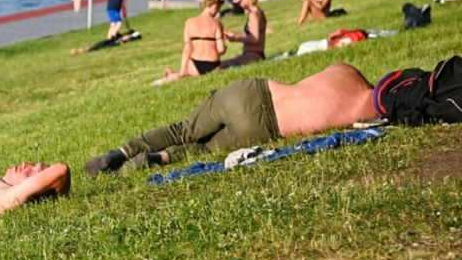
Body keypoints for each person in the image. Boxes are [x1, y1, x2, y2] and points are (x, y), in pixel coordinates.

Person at [85, 62, 380, 176]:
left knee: (183, 129)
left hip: (250, 92)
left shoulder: (346, 71)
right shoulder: (358, 107)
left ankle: (121, 152)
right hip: (266, 127)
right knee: (206, 150)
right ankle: (157, 158)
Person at [160, 0, 226, 82]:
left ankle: (175, 75)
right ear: (214, 6)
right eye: (218, 8)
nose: (217, 12)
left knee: (187, 74)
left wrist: (182, 71)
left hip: (195, 65)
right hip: (213, 65)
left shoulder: (189, 22)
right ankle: (176, 74)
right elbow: (221, 49)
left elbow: (187, 49)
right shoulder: (217, 24)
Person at [220, 0, 266, 68]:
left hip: (253, 55)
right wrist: (235, 34)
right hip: (254, 54)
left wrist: (236, 38)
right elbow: (253, 35)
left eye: (240, 0)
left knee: (220, 65)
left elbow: (254, 39)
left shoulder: (253, 15)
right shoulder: (258, 12)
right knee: (223, 62)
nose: (239, 3)